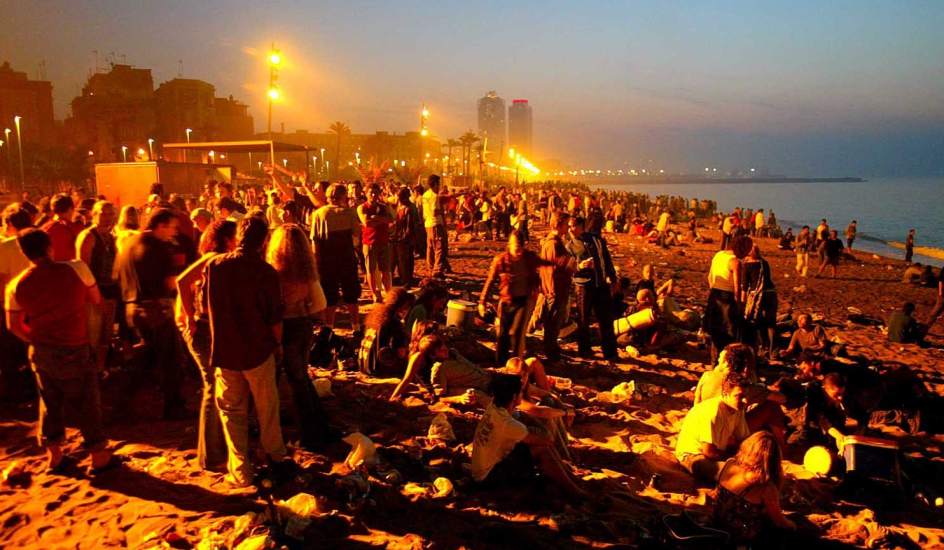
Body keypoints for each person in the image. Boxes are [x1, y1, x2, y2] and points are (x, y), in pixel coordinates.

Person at [4, 228, 114, 473]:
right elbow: (96, 300)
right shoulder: (76, 269)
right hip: (75, 344)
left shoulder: (15, 285)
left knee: (49, 402)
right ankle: (98, 455)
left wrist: (35, 339)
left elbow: (12, 325)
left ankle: (54, 455)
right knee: (87, 401)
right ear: (49, 247)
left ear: (25, 253)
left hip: (42, 349)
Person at [204, 217, 287, 486]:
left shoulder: (215, 266)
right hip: (258, 350)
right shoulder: (265, 272)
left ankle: (240, 471)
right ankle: (275, 456)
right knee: (267, 409)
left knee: (232, 413)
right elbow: (275, 318)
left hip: (226, 350)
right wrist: (278, 346)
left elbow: (205, 307)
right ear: (264, 241)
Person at [266, 223, 336, 450]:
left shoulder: (273, 273)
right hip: (303, 325)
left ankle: (306, 431)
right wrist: (304, 308)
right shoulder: (307, 273)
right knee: (301, 378)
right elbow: (321, 303)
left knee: (288, 379)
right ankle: (315, 425)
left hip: (283, 327)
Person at [176, 220, 237, 471]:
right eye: (235, 236)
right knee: (212, 387)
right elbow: (181, 281)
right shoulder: (213, 257)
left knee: (215, 386)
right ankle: (211, 456)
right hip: (197, 330)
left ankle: (214, 450)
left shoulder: (219, 259)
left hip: (201, 328)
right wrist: (189, 317)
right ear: (225, 238)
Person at [115, 208, 185, 419]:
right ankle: (173, 407)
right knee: (170, 359)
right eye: (172, 228)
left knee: (146, 358)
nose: (174, 233)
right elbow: (170, 282)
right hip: (155, 309)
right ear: (160, 226)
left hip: (132, 307)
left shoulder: (128, 244)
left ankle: (122, 402)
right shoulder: (159, 248)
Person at [470, 373, 586, 499]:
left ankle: (567, 477)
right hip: (489, 476)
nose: (522, 395)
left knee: (540, 447)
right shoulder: (508, 424)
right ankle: (575, 491)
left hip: (483, 467)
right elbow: (546, 441)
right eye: (521, 393)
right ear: (514, 396)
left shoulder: (494, 406)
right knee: (543, 449)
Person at [479, 232, 551, 363]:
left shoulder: (529, 258)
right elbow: (490, 280)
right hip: (506, 301)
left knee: (516, 333)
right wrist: (482, 302)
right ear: (510, 245)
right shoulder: (500, 260)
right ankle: (500, 364)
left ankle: (516, 364)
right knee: (502, 335)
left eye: (521, 247)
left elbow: (545, 262)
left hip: (523, 301)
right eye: (516, 247)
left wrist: (561, 264)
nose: (518, 251)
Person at [713, 432, 796, 543]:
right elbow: (779, 521)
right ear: (773, 459)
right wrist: (793, 525)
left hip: (717, 524)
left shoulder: (729, 463)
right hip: (740, 537)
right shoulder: (765, 486)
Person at [676, 372, 751, 483]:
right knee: (737, 475)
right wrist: (734, 459)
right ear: (725, 394)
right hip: (694, 456)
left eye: (746, 396)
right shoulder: (713, 412)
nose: (745, 401)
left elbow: (744, 440)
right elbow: (708, 451)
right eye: (739, 396)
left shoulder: (737, 408)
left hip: (717, 452)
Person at [311, 184, 362, 333]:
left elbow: (315, 240)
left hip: (326, 261)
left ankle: (328, 328)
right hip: (346, 259)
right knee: (351, 294)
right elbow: (357, 236)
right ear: (343, 196)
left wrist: (316, 261)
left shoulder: (319, 214)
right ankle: (356, 326)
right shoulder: (349, 213)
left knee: (329, 295)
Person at [566, 215, 619, 361]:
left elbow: (606, 259)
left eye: (573, 226)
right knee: (583, 320)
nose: (570, 229)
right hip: (583, 286)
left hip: (600, 284)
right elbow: (567, 268)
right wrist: (579, 266)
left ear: (582, 226)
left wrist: (613, 278)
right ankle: (584, 350)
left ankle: (610, 352)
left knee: (606, 319)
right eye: (569, 226)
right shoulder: (570, 246)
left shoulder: (596, 240)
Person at [76, 201, 118, 371]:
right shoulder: (88, 236)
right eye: (103, 213)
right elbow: (82, 269)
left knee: (105, 337)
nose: (107, 217)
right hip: (93, 294)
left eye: (111, 213)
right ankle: (90, 373)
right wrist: (94, 296)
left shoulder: (112, 237)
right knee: (92, 338)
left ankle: (100, 371)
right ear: (94, 215)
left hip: (110, 292)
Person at [389, 334, 489, 404]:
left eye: (444, 347)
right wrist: (393, 398)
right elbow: (407, 379)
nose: (445, 350)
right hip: (437, 388)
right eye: (441, 350)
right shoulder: (419, 357)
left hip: (448, 381)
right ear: (432, 354)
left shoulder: (449, 353)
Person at [0, 204, 33, 400]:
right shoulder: (39, 240)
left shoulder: (5, 247)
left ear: (10, 223)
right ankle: (34, 389)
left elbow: (2, 280)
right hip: (36, 304)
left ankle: (15, 394)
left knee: (9, 353)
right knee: (30, 346)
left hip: (11, 306)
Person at [703, 235, 752, 362]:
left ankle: (714, 361)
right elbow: (737, 288)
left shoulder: (719, 255)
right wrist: (740, 305)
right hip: (727, 297)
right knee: (729, 332)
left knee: (715, 330)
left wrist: (714, 291)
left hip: (714, 294)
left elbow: (710, 277)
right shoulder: (735, 262)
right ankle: (725, 361)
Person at [538, 212, 577, 363]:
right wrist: (578, 265)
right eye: (566, 224)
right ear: (559, 224)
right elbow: (564, 265)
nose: (568, 227)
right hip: (556, 288)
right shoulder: (554, 244)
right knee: (553, 323)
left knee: (551, 322)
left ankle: (551, 350)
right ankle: (551, 353)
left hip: (550, 287)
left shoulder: (550, 242)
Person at [359, 287, 414, 377]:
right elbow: (401, 353)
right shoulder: (394, 322)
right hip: (378, 369)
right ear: (403, 307)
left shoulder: (375, 315)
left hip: (364, 365)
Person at [358, 183, 394, 302]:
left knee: (386, 270)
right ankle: (375, 293)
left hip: (383, 241)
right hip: (369, 242)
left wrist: (375, 218)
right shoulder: (362, 207)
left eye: (375, 192)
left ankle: (388, 293)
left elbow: (391, 219)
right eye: (371, 192)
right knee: (371, 270)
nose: (373, 195)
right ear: (366, 193)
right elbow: (366, 223)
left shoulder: (383, 206)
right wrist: (380, 220)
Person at [742, 244, 778, 358]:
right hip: (771, 292)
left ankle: (761, 347)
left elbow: (745, 285)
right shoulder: (764, 263)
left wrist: (742, 302)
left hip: (758, 295)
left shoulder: (748, 265)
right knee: (771, 323)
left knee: (755, 321)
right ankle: (773, 351)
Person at [41, 194, 84, 262]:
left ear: (52, 208)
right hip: (69, 269)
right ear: (71, 208)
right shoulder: (76, 228)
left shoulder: (44, 228)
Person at [391, 187, 419, 287]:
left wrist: (403, 238)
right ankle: (405, 279)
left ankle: (406, 280)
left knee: (405, 261)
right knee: (401, 260)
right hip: (400, 237)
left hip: (405, 239)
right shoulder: (402, 206)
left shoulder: (409, 208)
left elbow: (409, 226)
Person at [422, 174, 448, 277]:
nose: (440, 186)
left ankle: (431, 268)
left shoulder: (425, 195)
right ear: (436, 184)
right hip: (436, 224)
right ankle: (436, 271)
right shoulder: (434, 196)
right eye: (439, 184)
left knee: (430, 248)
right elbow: (434, 211)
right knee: (439, 248)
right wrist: (442, 211)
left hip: (428, 224)